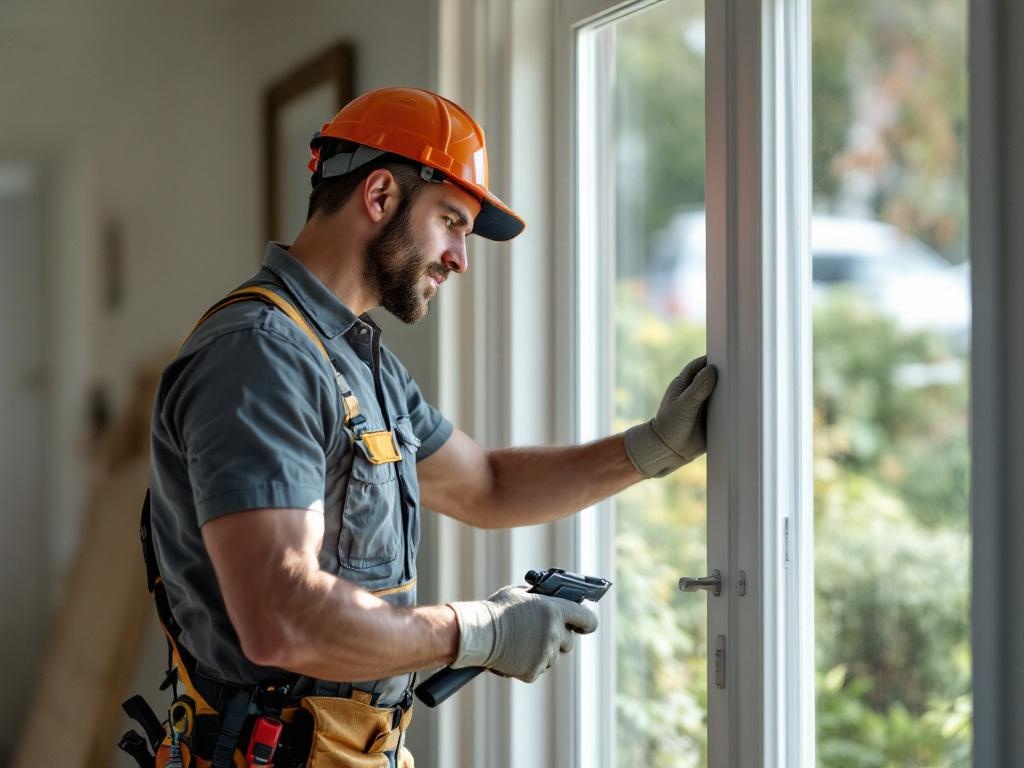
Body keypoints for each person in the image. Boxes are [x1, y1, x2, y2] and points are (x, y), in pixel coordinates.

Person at [143, 87, 716, 768]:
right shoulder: (260, 356)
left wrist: (654, 447)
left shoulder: (356, 361)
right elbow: (281, 617)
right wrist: (475, 631)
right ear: (380, 195)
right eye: (450, 222)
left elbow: (489, 486)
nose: (459, 260)